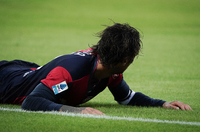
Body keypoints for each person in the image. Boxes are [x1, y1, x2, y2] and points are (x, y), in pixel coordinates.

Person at [0, 23, 192, 115]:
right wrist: (78, 111)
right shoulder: (69, 73)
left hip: (24, 70)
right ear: (125, 60)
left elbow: (127, 98)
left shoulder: (110, 71)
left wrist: (162, 103)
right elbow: (32, 101)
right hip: (6, 81)